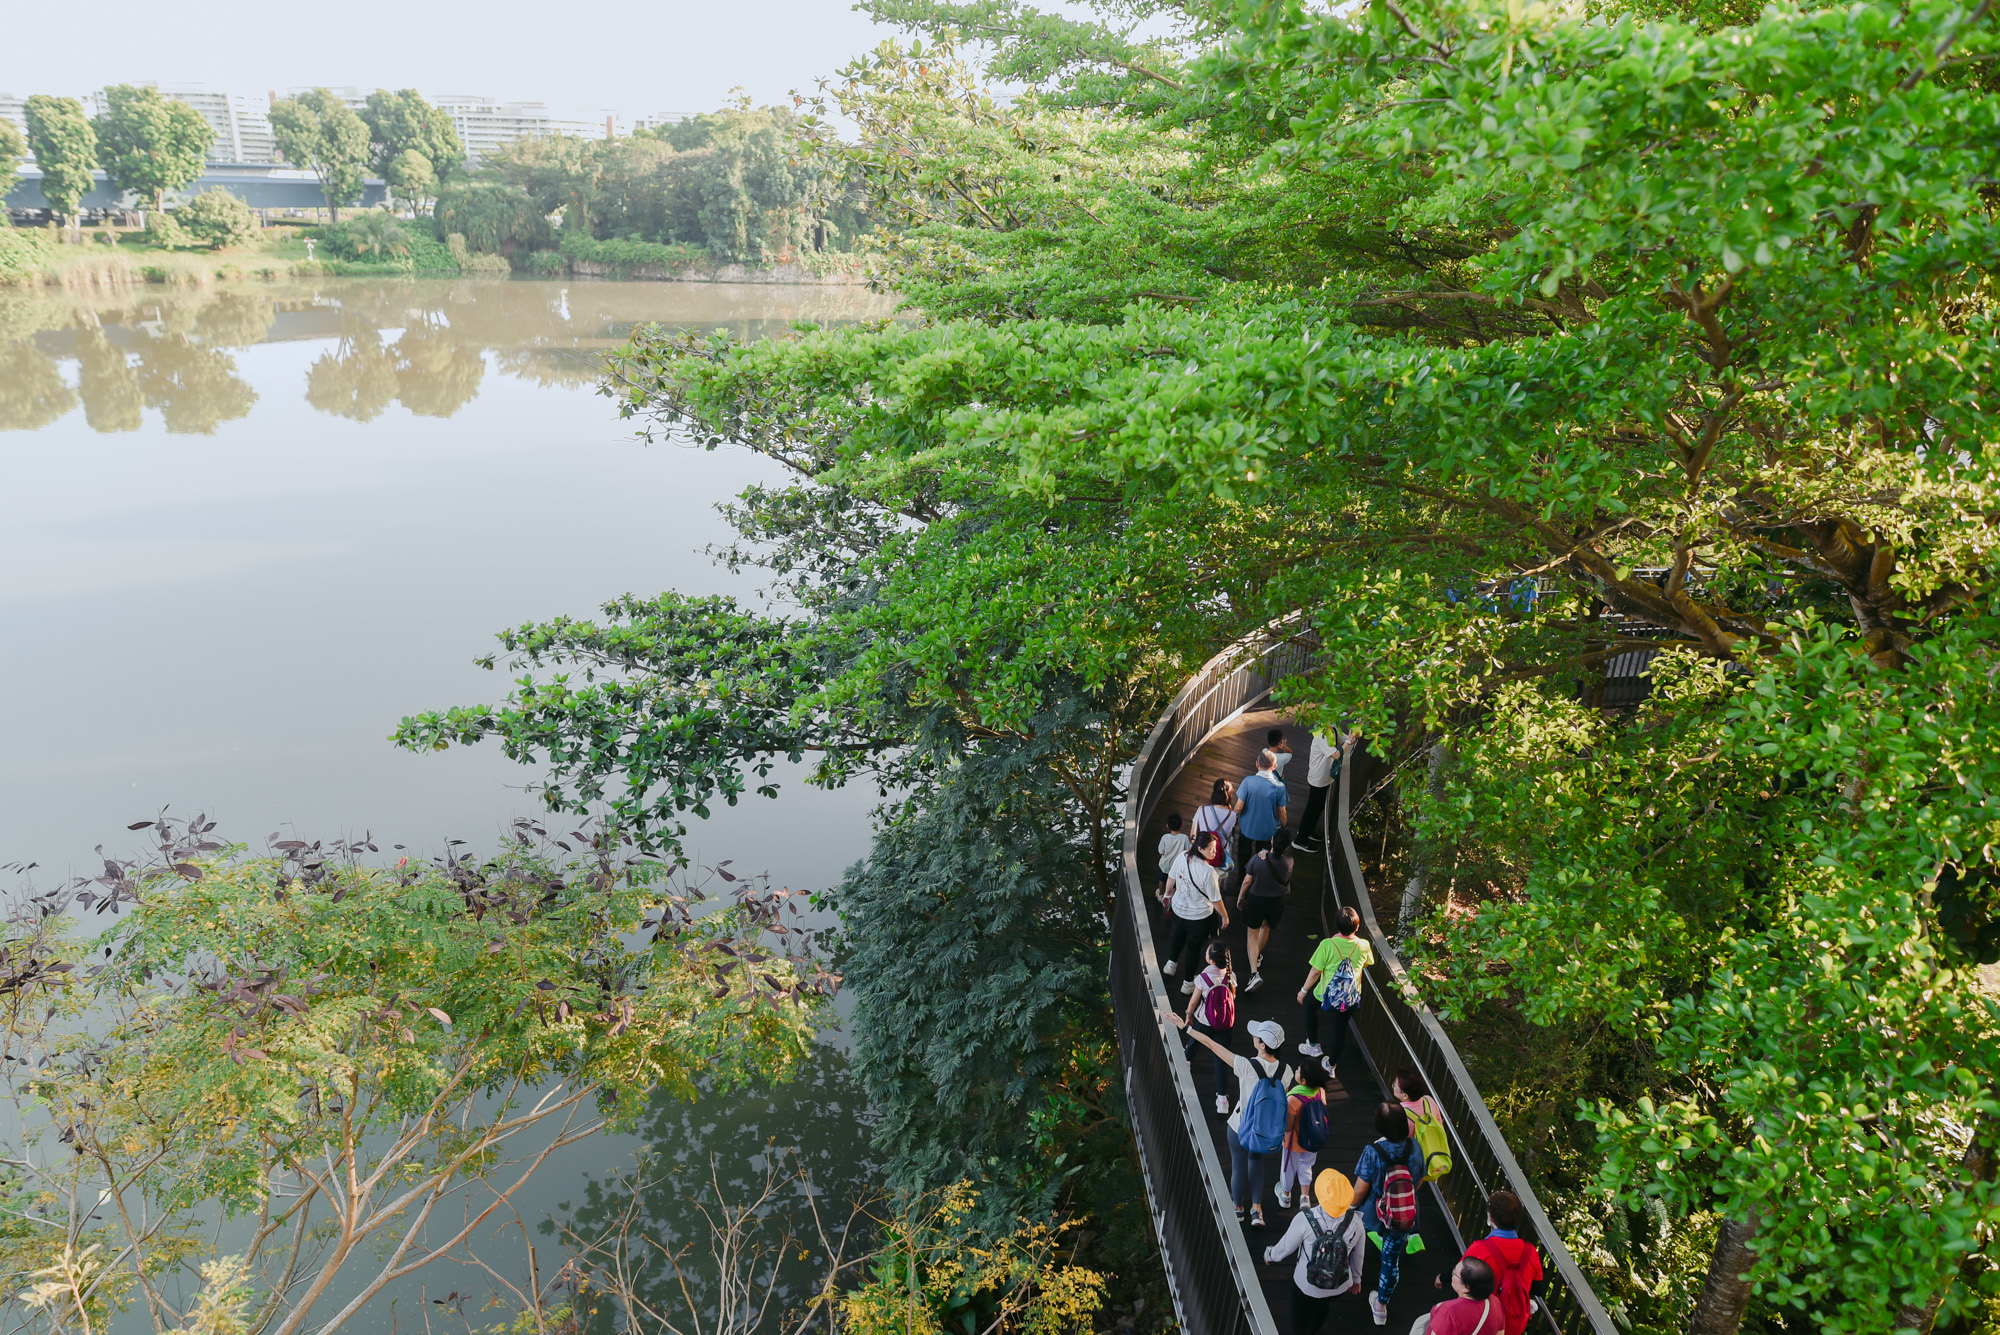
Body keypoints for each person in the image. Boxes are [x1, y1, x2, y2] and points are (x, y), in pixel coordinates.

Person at [1176, 1015, 1287, 1227]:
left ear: (1262, 1045)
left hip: (1240, 1128)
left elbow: (1211, 1044)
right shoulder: (1286, 1071)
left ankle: (1238, 1209)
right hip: (1265, 1132)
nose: (1253, 1037)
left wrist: (1185, 1028)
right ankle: (1257, 1210)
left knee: (1238, 1167)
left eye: (1256, 1036)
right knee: (1256, 1162)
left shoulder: (1246, 1066)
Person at [1263, 1168, 1367, 1335]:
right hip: (1338, 1285)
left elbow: (1285, 1247)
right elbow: (1359, 1254)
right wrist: (1356, 1279)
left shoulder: (1305, 1219)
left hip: (1306, 1284)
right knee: (1322, 1305)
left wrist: (1269, 1255)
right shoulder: (1356, 1222)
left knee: (1298, 1320)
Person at [1353, 1102, 1427, 1325]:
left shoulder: (1373, 1152)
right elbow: (1420, 1179)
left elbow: (1360, 1189)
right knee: (1390, 1261)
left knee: (1354, 1233)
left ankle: (1351, 1277)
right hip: (1402, 1215)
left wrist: (1348, 1209)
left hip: (1374, 1213)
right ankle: (1381, 1307)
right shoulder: (1415, 1147)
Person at [1458, 1191, 1545, 1335]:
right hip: (1513, 1324)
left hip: (1484, 1322)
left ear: (1490, 1218)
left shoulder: (1480, 1249)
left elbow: (1460, 1278)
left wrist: (1441, 1278)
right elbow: (1538, 1290)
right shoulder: (1530, 1252)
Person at [1299, 906, 1374, 1065]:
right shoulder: (1364, 945)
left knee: (1310, 1008)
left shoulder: (1327, 944)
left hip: (1324, 993)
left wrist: (1303, 990)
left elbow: (1315, 971)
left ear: (1336, 926)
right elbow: (1366, 964)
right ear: (1357, 926)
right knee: (1339, 1030)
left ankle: (1312, 1045)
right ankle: (1331, 1064)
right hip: (1349, 997)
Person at [1161, 831, 1228, 983]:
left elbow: (1171, 876)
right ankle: (1188, 982)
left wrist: (1167, 895)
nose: (1214, 852)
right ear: (1200, 849)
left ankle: (1171, 964)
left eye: (1215, 848)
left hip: (1178, 909)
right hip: (1198, 917)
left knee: (1178, 934)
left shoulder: (1183, 856)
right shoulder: (1208, 872)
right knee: (1193, 948)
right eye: (1211, 848)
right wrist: (1224, 916)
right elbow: (1216, 899)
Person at [1237, 827, 1295, 992]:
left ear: (1272, 840)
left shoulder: (1258, 859)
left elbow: (1247, 881)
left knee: (1251, 934)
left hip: (1257, 900)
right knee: (1265, 927)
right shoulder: (1290, 862)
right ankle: (1257, 955)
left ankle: (1254, 973)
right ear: (1287, 847)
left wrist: (1241, 897)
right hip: (1277, 902)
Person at [1185, 939, 1239, 1116]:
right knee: (1220, 1059)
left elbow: (1194, 1001)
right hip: (1225, 1025)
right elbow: (1233, 997)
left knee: (1196, 1039)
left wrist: (1188, 1015)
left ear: (1211, 960)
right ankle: (1222, 1099)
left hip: (1205, 1020)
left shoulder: (1203, 978)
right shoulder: (1231, 975)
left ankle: (1187, 1060)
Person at [1275, 1056, 1330, 1210]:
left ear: (1304, 1081)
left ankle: (1285, 1195)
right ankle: (1305, 1197)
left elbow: (1288, 1126)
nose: (1296, 1070)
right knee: (1306, 1165)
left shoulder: (1294, 1098)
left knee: (1288, 1168)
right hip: (1313, 1139)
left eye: (1299, 1070)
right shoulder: (1320, 1092)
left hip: (1294, 1141)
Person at [1232, 749, 1289, 893]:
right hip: (1268, 832)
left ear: (1257, 764)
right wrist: (1284, 825)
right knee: (1263, 858)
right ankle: (1256, 882)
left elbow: (1238, 807)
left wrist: (1231, 820)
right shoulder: (1280, 787)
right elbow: (1282, 811)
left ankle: (1241, 881)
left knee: (1243, 855)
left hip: (1247, 828)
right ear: (1274, 767)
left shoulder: (1248, 781)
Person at [1295, 729, 1350, 854]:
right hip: (1318, 778)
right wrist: (1348, 741)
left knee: (1318, 807)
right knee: (1312, 810)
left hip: (1324, 778)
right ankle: (1300, 839)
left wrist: (1352, 738)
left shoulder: (1333, 728)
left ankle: (1308, 831)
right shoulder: (1322, 735)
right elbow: (1336, 754)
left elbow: (1346, 739)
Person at [1422, 1258, 1499, 1335]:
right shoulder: (1495, 1302)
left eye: (1454, 1274)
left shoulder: (1448, 1311)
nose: (1452, 1275)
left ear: (1466, 1287)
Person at [1192, 779, 1238, 873]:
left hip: (1201, 854)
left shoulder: (1202, 810)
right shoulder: (1232, 815)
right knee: (1216, 882)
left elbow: (1192, 835)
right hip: (1219, 857)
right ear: (1228, 796)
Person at [1156, 811, 1190, 900]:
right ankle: (1172, 899)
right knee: (1175, 884)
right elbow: (1188, 851)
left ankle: (1161, 894)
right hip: (1178, 867)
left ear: (1167, 825)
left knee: (1162, 880)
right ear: (1181, 825)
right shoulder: (1185, 838)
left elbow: (1161, 851)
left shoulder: (1165, 837)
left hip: (1165, 865)